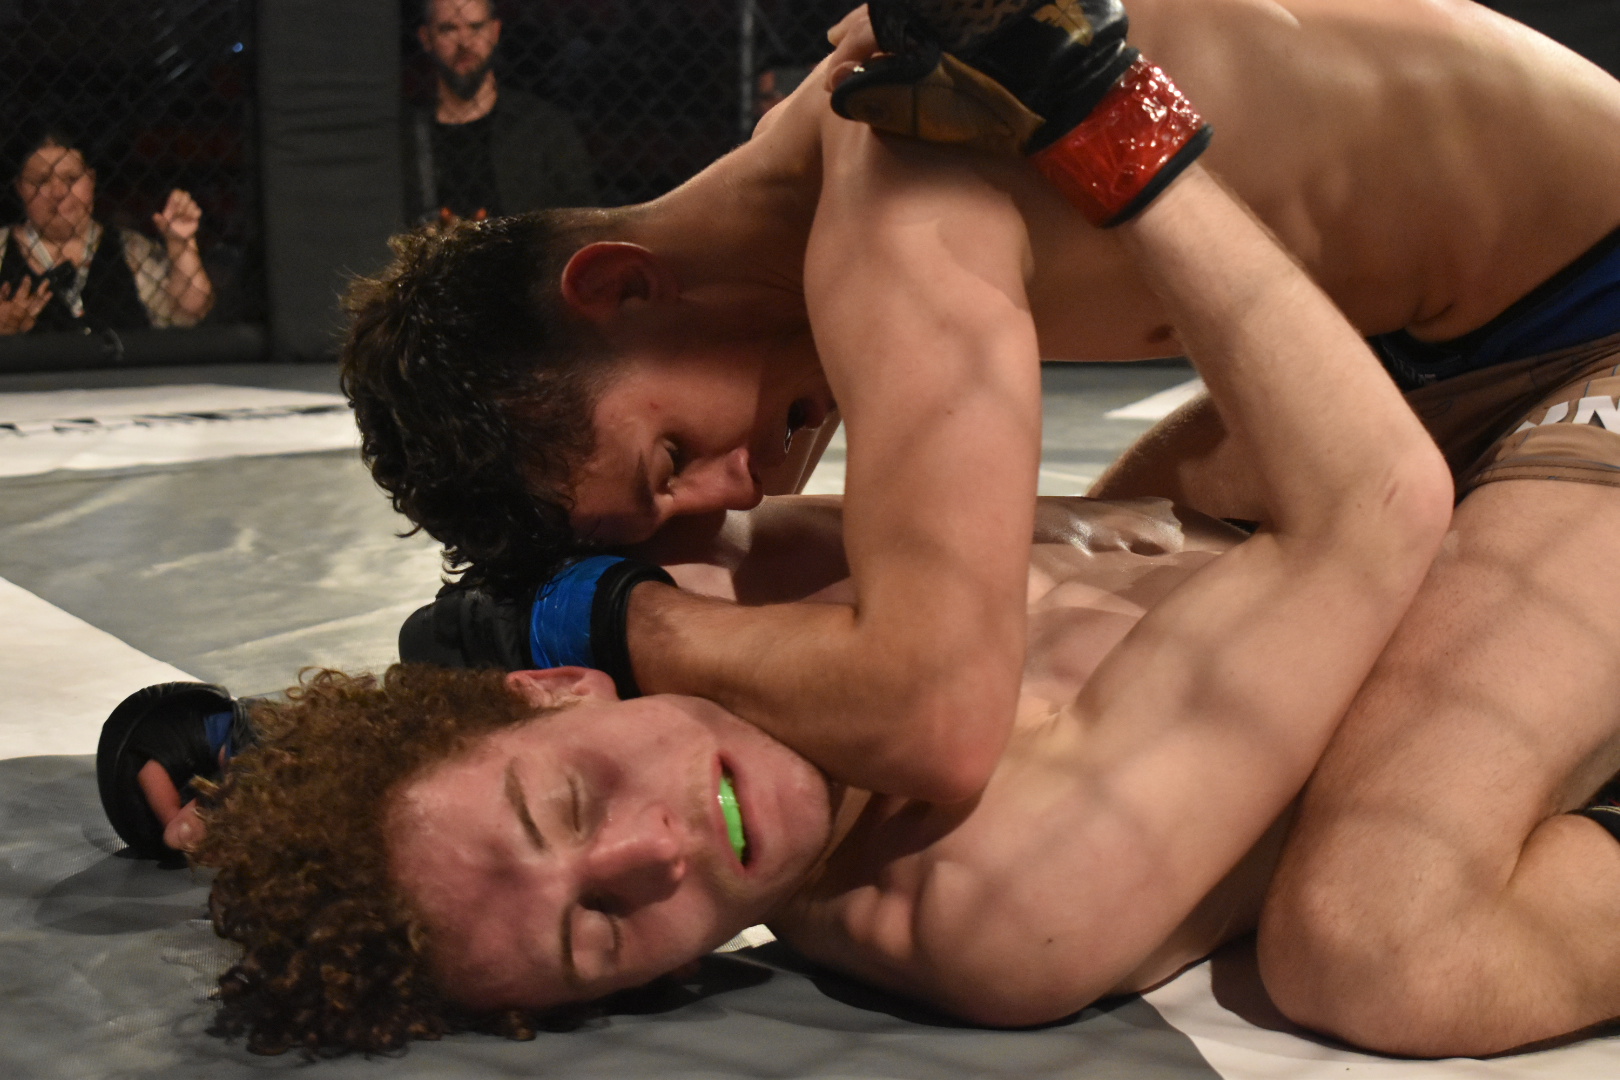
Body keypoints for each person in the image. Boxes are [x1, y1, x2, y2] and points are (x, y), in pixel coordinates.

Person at [193, 163, 1456, 1055]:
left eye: (574, 804)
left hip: (1420, 401)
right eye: (598, 934)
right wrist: (1122, 128)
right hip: (1466, 560)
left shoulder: (714, 584)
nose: (652, 858)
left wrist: (233, 746)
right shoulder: (993, 902)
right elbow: (1377, 507)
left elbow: (460, 685)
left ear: (559, 689)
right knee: (1370, 949)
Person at [0, 127, 213, 335]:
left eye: (71, 179)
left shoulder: (133, 249)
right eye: (41, 181)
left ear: (91, 180)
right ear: (20, 188)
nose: (58, 192)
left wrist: (181, 245)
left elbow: (190, 314)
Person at [403, 0, 597, 226]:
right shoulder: (405, 136)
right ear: (426, 38)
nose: (464, 42)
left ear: (495, 32)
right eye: (448, 29)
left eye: (476, 27)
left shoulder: (543, 127)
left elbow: (582, 220)